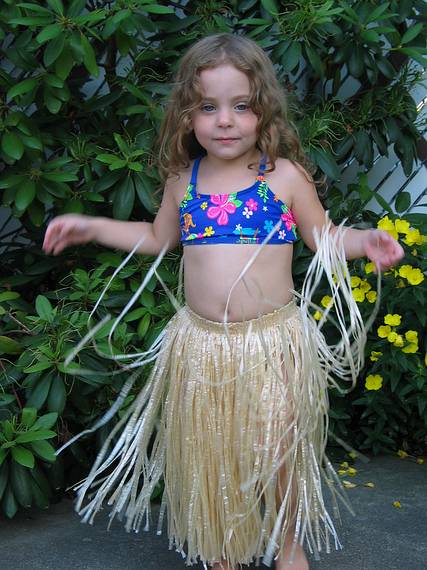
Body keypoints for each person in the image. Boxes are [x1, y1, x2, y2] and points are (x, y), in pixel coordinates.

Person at [43, 33, 404, 570]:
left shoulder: (284, 178)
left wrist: (363, 241)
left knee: (279, 451)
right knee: (215, 454)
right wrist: (93, 225)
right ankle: (223, 546)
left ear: (264, 111)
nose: (225, 121)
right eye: (208, 108)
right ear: (187, 116)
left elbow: (322, 236)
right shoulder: (181, 182)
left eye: (241, 106)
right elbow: (158, 239)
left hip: (272, 344)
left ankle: (287, 545)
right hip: (202, 349)